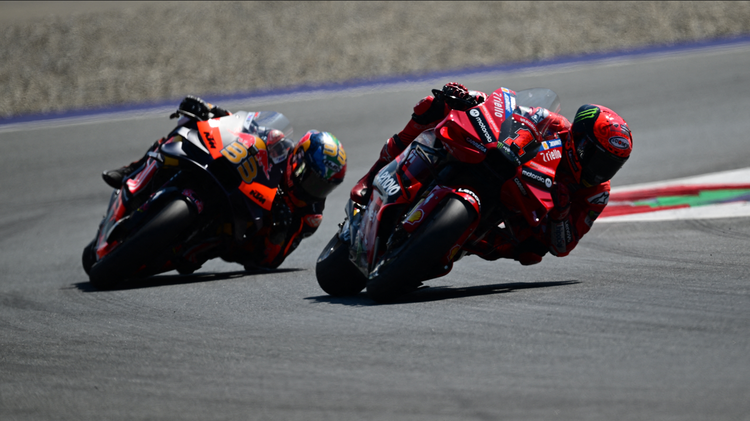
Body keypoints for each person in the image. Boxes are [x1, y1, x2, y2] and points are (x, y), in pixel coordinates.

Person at [350, 82, 633, 266]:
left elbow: (563, 246)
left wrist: (559, 214)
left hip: (522, 210)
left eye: (610, 166)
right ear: (579, 139)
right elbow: (508, 110)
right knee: (434, 106)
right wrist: (471, 97)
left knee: (532, 253)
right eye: (596, 158)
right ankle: (373, 174)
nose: (599, 171)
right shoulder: (555, 125)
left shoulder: (596, 193)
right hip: (504, 163)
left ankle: (455, 243)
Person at [103, 95, 347, 270]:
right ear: (299, 159)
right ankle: (133, 170)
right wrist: (211, 111)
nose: (314, 189)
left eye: (323, 186)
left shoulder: (309, 215)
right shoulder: (277, 143)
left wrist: (278, 233)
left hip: (238, 237)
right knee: (186, 129)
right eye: (312, 179)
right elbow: (243, 125)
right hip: (233, 183)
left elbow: (269, 262)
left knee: (189, 257)